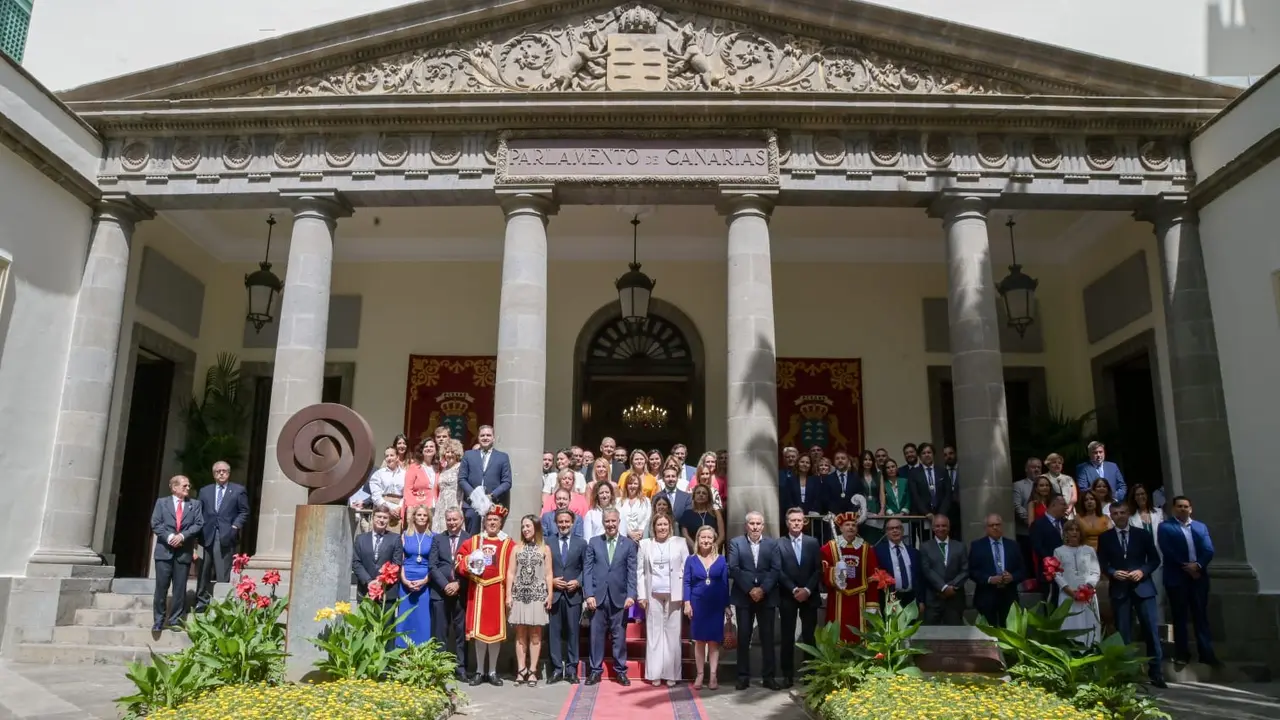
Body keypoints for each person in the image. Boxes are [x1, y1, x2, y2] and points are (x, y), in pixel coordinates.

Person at [1098, 503, 1166, 687]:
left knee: (1151, 631)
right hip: (1120, 589)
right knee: (1123, 633)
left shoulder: (1142, 534)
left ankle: (1156, 672)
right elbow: (1102, 562)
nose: (1119, 516)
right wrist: (1112, 572)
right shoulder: (1105, 538)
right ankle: (1127, 673)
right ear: (1110, 515)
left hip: (1143, 587)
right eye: (1115, 513)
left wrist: (1142, 571)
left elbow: (1154, 559)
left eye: (1122, 512)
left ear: (1128, 513)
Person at [455, 504, 516, 686]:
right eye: (489, 520)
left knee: (495, 634)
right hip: (478, 590)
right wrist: (470, 562)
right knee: (480, 635)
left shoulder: (508, 543)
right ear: (484, 522)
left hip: (498, 591)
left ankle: (492, 671)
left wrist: (510, 594)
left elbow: (514, 566)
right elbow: (459, 559)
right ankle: (480, 671)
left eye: (495, 520)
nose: (492, 523)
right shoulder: (474, 541)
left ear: (501, 522)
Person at [1158, 495, 1220, 667]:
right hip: (1177, 578)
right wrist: (1187, 567)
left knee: (1201, 616)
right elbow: (1167, 550)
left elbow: (1208, 549)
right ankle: (1182, 654)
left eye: (1186, 506)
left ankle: (1206, 654)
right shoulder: (1165, 527)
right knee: (1180, 617)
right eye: (1179, 506)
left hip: (1199, 578)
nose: (1183, 509)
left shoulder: (1200, 527)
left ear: (1191, 509)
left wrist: (1198, 565)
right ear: (1173, 509)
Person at [727, 511, 781, 690]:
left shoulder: (772, 544)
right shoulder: (736, 543)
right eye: (752, 523)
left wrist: (762, 589)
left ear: (763, 526)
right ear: (746, 525)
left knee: (767, 638)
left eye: (758, 524)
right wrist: (750, 589)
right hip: (744, 596)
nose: (755, 527)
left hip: (767, 597)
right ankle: (743, 677)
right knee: (743, 637)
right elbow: (734, 568)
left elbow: (775, 569)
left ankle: (769, 677)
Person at [584, 508, 638, 686]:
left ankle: (620, 671)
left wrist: (631, 595)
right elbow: (588, 570)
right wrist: (589, 594)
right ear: (603, 522)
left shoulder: (629, 544)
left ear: (619, 521)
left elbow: (632, 573)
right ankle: (595, 671)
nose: (610, 524)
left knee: (619, 637)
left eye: (613, 521)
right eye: (607, 521)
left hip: (619, 598)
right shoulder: (593, 542)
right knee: (596, 636)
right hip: (597, 597)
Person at [638, 512, 689, 686]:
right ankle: (655, 673)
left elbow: (686, 569)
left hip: (674, 594)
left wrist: (684, 594)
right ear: (654, 527)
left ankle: (672, 674)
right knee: (654, 634)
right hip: (652, 594)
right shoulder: (644, 545)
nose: (662, 528)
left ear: (670, 526)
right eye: (659, 525)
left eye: (665, 524)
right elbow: (640, 572)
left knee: (673, 635)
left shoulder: (680, 543)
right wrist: (642, 595)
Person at [149, 475, 205, 631]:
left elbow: (199, 523)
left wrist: (182, 536)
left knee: (180, 588)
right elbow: (156, 523)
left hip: (183, 552)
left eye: (188, 486)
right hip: (164, 552)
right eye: (184, 486)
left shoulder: (195, 504)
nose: (188, 488)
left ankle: (175, 620)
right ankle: (159, 620)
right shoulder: (162, 503)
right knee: (161, 587)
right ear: (174, 487)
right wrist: (169, 537)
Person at [195, 460, 249, 613]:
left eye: (224, 471)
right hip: (206, 535)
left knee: (222, 570)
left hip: (226, 535)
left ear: (229, 473)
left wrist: (235, 526)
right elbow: (199, 512)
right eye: (218, 471)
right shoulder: (205, 491)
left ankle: (221, 603)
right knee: (203, 569)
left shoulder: (238, 490)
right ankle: (202, 601)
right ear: (213, 474)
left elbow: (244, 511)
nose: (221, 473)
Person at [820, 511, 881, 642]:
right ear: (840, 528)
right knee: (837, 636)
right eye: (847, 525)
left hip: (861, 600)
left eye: (854, 525)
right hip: (837, 599)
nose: (851, 527)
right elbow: (823, 572)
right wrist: (836, 574)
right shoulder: (828, 548)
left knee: (860, 635)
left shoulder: (866, 549)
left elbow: (873, 578)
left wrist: (872, 604)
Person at [507, 514, 553, 687]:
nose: (525, 529)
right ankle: (521, 669)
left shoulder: (545, 549)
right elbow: (511, 572)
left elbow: (549, 574)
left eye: (528, 526)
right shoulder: (516, 548)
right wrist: (508, 595)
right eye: (523, 526)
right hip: (520, 594)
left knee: (535, 634)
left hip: (538, 595)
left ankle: (533, 670)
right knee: (520, 633)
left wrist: (550, 594)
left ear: (536, 527)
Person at [777, 507, 820, 687]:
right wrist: (794, 589)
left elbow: (818, 569)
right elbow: (778, 570)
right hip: (788, 596)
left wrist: (807, 590)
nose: (796, 523)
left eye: (799, 520)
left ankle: (810, 673)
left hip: (809, 596)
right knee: (787, 636)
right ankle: (787, 675)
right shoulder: (779, 543)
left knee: (810, 636)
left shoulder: (813, 542)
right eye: (792, 520)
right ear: (787, 523)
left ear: (804, 522)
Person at [683, 525, 731, 691]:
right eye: (703, 537)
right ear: (698, 539)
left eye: (709, 537)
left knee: (713, 642)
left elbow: (725, 584)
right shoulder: (691, 559)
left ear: (714, 539)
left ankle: (713, 676)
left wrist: (727, 605)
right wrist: (687, 603)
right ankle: (700, 675)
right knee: (699, 641)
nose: (706, 540)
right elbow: (687, 582)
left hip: (715, 605)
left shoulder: (722, 560)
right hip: (698, 605)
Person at [427, 508, 469, 680]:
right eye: (449, 520)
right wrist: (445, 585)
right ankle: (440, 668)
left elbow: (475, 566)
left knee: (461, 633)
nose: (452, 523)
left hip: (462, 592)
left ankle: (461, 668)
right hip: (440, 593)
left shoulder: (471, 539)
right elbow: (432, 566)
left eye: (455, 520)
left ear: (461, 519)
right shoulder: (438, 539)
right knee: (440, 632)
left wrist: (458, 584)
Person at [547, 509, 587, 684]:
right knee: (554, 633)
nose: (563, 525)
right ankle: (556, 669)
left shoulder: (581, 543)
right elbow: (542, 569)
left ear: (572, 523)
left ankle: (571, 669)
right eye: (560, 522)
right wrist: (551, 582)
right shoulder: (548, 543)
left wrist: (578, 582)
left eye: (567, 522)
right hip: (554, 594)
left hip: (573, 595)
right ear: (556, 523)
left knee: (572, 632)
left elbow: (587, 569)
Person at [1052, 519, 1101, 646]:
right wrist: (1068, 589)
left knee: (1089, 624)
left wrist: (1087, 587)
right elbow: (1056, 573)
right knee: (1070, 623)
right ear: (1065, 533)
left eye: (1077, 530)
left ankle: (1091, 650)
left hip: (1088, 595)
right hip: (1068, 595)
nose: (1074, 532)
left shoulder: (1089, 550)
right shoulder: (1059, 551)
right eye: (1070, 530)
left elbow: (1095, 571)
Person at [969, 514, 1024, 626]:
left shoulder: (1013, 545)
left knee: (1009, 631)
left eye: (997, 525)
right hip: (986, 596)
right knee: (988, 634)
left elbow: (1022, 570)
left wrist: (1012, 577)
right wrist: (989, 579)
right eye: (991, 525)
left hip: (1009, 596)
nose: (995, 527)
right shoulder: (977, 546)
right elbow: (972, 571)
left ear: (1002, 526)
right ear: (986, 528)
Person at [458, 425, 513, 534]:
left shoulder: (502, 457)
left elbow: (507, 482)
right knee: (472, 538)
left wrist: (492, 495)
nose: (485, 438)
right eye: (482, 435)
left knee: (492, 537)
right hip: (471, 504)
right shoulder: (469, 455)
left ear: (493, 438)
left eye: (488, 435)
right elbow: (462, 478)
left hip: (494, 504)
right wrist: (474, 495)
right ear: (478, 438)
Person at [1127, 484, 1167, 624]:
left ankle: (1159, 627)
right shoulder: (1131, 517)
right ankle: (1143, 627)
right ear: (1133, 498)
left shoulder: (1159, 513)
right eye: (1137, 495)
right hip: (1140, 562)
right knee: (1141, 596)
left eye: (1143, 494)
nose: (1140, 497)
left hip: (1159, 559)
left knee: (1159, 596)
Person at [396, 505, 434, 647]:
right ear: (414, 517)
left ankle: (421, 651)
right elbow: (401, 560)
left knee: (422, 618)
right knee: (405, 617)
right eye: (419, 515)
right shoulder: (405, 535)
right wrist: (404, 580)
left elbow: (434, 562)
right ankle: (402, 651)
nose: (422, 518)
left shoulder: (434, 537)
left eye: (424, 515)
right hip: (406, 580)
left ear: (428, 518)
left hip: (425, 582)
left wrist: (424, 581)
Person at [921, 514, 968, 626]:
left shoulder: (960, 546)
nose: (941, 529)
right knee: (931, 636)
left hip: (954, 599)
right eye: (937, 526)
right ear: (933, 528)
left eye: (944, 526)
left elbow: (965, 570)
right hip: (934, 598)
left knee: (955, 635)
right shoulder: (925, 546)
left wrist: (951, 587)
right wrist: (943, 587)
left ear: (949, 527)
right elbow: (927, 570)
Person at [353, 508, 403, 605]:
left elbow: (396, 564)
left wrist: (381, 581)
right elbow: (356, 562)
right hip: (365, 592)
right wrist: (369, 581)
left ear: (388, 520)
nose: (381, 520)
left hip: (387, 592)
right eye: (379, 516)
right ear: (373, 517)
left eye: (385, 518)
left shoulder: (395, 539)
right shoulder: (360, 539)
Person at [874, 518, 923, 610]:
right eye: (891, 528)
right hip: (889, 598)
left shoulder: (913, 552)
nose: (895, 530)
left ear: (903, 530)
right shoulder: (878, 551)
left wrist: (920, 600)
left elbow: (919, 578)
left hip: (911, 599)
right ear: (886, 532)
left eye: (898, 528)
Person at [908, 443, 952, 544]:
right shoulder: (914, 473)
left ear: (933, 454)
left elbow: (948, 493)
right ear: (919, 456)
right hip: (923, 518)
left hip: (942, 517)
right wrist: (926, 513)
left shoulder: (942, 471)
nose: (927, 455)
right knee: (927, 544)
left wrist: (941, 514)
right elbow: (915, 495)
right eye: (923, 453)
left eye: (929, 452)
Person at [1030, 495, 1068, 603]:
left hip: (1066, 572)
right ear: (1053, 505)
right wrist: (1053, 561)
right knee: (1051, 604)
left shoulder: (1065, 523)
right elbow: (1037, 546)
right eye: (1063, 504)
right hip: (1049, 574)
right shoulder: (1038, 524)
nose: (1066, 507)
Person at [369, 446, 407, 533]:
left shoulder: (405, 474)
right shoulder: (378, 474)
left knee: (395, 538)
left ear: (397, 457)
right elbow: (376, 496)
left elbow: (406, 494)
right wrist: (388, 508)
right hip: (382, 508)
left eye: (391, 455)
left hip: (398, 510)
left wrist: (400, 508)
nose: (389, 458)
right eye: (387, 456)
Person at [430, 438, 463, 533]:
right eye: (447, 452)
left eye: (452, 452)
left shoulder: (460, 467)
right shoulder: (443, 469)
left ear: (457, 453)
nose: (449, 455)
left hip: (454, 501)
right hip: (441, 503)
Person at [679, 484, 724, 551]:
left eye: (704, 493)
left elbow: (722, 536)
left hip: (713, 552)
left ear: (708, 497)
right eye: (698, 493)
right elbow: (685, 535)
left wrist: (712, 548)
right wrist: (695, 548)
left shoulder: (715, 513)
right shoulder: (687, 514)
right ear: (693, 496)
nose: (701, 495)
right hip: (694, 552)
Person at [403, 438, 438, 524]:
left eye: (431, 446)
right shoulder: (414, 467)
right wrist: (411, 506)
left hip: (435, 508)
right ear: (421, 450)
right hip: (419, 509)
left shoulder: (438, 467)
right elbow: (407, 489)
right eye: (426, 446)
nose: (429, 448)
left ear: (435, 450)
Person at [617, 471, 653, 542]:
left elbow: (647, 518)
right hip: (624, 537)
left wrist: (641, 530)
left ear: (639, 485)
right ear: (626, 485)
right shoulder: (618, 502)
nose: (632, 486)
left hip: (642, 537)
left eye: (635, 483)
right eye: (630, 483)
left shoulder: (646, 501)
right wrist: (629, 533)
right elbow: (618, 519)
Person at [1042, 453, 1077, 518]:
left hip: (1069, 513)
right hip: (1051, 513)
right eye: (1054, 462)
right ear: (1048, 464)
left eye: (1059, 463)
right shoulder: (1043, 478)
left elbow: (1074, 497)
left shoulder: (1069, 478)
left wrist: (1069, 509)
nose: (1057, 465)